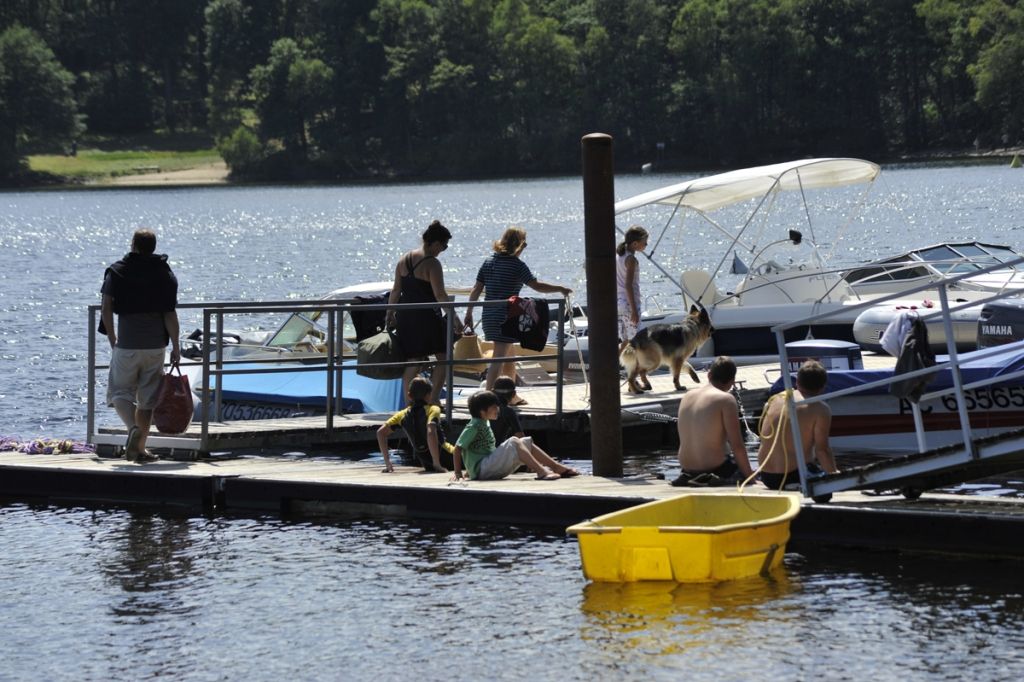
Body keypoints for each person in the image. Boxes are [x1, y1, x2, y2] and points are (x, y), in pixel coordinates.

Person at [100, 228, 180, 463]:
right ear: (153, 247)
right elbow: (170, 313)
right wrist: (176, 346)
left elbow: (106, 307)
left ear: (133, 245)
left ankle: (132, 429)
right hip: (156, 347)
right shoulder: (163, 272)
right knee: (147, 402)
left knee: (119, 393)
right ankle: (140, 450)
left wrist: (112, 338)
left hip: (127, 345)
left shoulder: (118, 271)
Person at [463, 226, 572, 393]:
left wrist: (469, 313)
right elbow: (537, 286)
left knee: (509, 357)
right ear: (519, 245)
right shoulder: (517, 265)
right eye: (524, 244)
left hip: (489, 316)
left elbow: (476, 289)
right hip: (506, 317)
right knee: (498, 359)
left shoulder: (488, 262)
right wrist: (560, 288)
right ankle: (488, 395)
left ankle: (510, 393)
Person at [385, 219, 459, 406]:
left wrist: (390, 313)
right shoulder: (432, 264)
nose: (443, 250)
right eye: (444, 246)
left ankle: (409, 404)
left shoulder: (404, 259)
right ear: (435, 243)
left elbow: (396, 290)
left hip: (406, 316)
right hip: (426, 317)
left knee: (413, 360)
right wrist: (454, 318)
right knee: (444, 357)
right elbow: (440, 295)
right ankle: (432, 399)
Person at [452, 390, 578, 481]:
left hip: (487, 467)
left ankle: (556, 467)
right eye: (494, 407)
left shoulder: (484, 422)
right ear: (482, 411)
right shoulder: (473, 426)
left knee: (526, 441)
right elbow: (458, 449)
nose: (498, 409)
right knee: (514, 441)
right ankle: (541, 471)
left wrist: (469, 471)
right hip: (483, 470)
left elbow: (478, 450)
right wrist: (458, 473)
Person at [757, 360, 839, 490]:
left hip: (766, 476)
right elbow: (822, 450)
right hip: (793, 475)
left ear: (797, 382)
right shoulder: (820, 409)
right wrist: (835, 476)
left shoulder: (776, 399)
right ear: (823, 387)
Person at [672, 356, 754, 486]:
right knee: (756, 474)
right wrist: (751, 478)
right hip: (715, 469)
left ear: (709, 375)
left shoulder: (687, 396)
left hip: (687, 470)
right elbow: (737, 446)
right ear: (732, 381)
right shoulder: (726, 400)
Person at [490, 375, 580, 476]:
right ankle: (553, 467)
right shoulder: (508, 411)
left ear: (493, 391)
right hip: (495, 460)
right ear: (514, 394)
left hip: (490, 457)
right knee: (526, 442)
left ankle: (550, 466)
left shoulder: (485, 410)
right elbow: (521, 439)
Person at [376, 377, 452, 474]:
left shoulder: (402, 414)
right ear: (428, 395)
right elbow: (431, 432)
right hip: (448, 457)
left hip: (427, 462)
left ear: (409, 396)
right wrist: (436, 463)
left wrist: (387, 463)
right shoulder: (433, 409)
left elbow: (380, 433)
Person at [617, 225, 650, 390]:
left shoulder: (620, 255)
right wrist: (635, 311)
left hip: (619, 303)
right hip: (629, 303)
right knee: (636, 344)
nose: (647, 245)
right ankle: (633, 380)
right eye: (645, 242)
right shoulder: (631, 259)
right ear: (636, 243)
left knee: (626, 341)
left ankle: (614, 370)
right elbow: (629, 285)